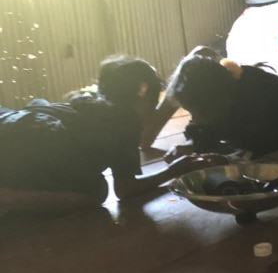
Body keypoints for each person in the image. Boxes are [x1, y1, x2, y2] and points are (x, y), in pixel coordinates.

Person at [0, 56, 223, 215]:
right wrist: (174, 171)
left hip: (13, 127)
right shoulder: (126, 119)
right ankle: (10, 196)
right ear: (143, 91)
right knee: (96, 192)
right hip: (22, 150)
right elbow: (125, 189)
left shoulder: (87, 101)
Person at [160, 50, 278, 159]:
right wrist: (189, 146)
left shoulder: (255, 93)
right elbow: (201, 129)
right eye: (191, 111)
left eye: (198, 112)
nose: (195, 117)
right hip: (246, 134)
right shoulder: (209, 101)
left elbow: (263, 141)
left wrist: (231, 158)